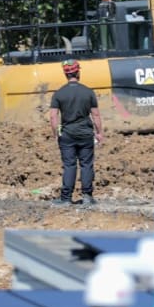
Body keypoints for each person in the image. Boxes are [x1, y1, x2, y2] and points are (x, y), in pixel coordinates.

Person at [49, 59, 103, 206]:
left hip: (67, 135)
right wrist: (99, 132)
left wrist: (55, 134)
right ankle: (87, 196)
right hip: (86, 134)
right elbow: (96, 115)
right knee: (86, 165)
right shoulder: (88, 92)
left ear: (65, 74)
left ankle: (66, 198)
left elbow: (53, 116)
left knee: (69, 165)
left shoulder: (59, 94)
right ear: (78, 72)